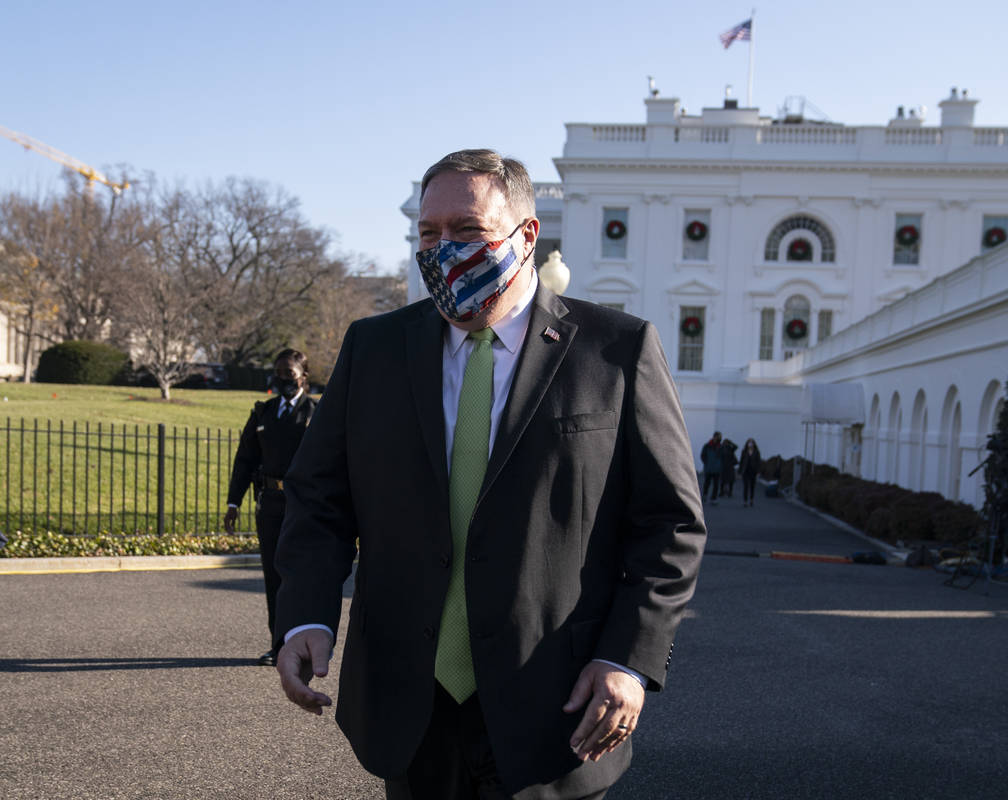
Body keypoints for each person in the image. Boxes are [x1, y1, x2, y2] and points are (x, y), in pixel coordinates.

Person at [272, 149, 706, 800]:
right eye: (428, 233)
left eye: (466, 231)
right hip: (408, 710)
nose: (442, 249)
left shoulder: (615, 350)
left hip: (557, 711)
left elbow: (670, 524)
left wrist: (629, 661)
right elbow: (318, 499)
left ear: (527, 236)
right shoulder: (374, 349)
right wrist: (305, 615)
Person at [224, 348, 317, 666]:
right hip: (270, 505)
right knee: (273, 575)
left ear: (303, 376)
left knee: (301, 576)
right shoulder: (263, 413)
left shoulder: (316, 413)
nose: (282, 380)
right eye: (278, 374)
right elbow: (245, 460)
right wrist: (234, 501)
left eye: (288, 374)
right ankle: (279, 645)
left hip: (304, 507)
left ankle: (301, 644)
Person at [699, 431, 723, 504]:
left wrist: (720, 465)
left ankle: (713, 498)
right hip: (709, 468)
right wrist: (706, 463)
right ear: (714, 437)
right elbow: (703, 455)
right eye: (718, 436)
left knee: (716, 484)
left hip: (717, 469)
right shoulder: (707, 446)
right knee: (707, 483)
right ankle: (705, 495)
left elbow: (723, 457)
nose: (719, 438)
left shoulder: (721, 447)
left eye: (720, 437)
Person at [739, 438, 762, 507]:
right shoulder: (744, 451)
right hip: (745, 471)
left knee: (752, 486)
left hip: (753, 471)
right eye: (749, 442)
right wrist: (740, 471)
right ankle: (745, 501)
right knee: (746, 486)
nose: (750, 444)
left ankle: (751, 499)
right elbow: (741, 461)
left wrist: (758, 471)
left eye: (752, 443)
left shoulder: (756, 452)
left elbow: (759, 462)